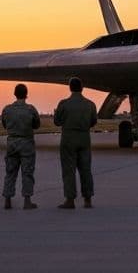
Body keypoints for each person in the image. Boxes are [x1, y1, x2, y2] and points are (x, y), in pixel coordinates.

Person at [53, 77, 98, 209]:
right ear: (82, 88)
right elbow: (93, 121)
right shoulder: (90, 104)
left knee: (69, 170)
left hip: (68, 138)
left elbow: (57, 122)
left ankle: (70, 200)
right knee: (85, 169)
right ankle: (88, 199)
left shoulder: (64, 104)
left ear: (70, 88)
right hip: (84, 138)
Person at [1, 83, 40, 210]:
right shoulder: (30, 109)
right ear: (26, 94)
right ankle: (27, 201)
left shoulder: (7, 109)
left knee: (10, 171)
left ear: (15, 94)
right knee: (27, 172)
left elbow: (4, 125)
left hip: (12, 143)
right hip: (26, 142)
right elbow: (36, 125)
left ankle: (7, 199)